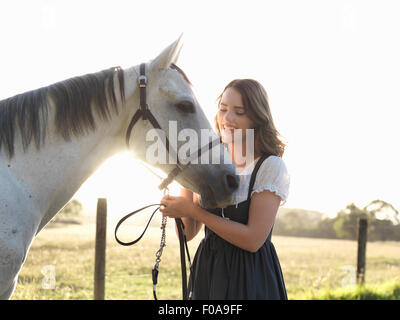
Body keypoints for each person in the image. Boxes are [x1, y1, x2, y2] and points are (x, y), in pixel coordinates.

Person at [160, 79, 290, 300]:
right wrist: (185, 178)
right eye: (223, 109)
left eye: (239, 112)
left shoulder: (269, 166)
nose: (227, 119)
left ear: (257, 118)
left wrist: (194, 211)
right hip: (208, 272)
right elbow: (188, 234)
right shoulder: (211, 161)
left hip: (250, 276)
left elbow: (253, 240)